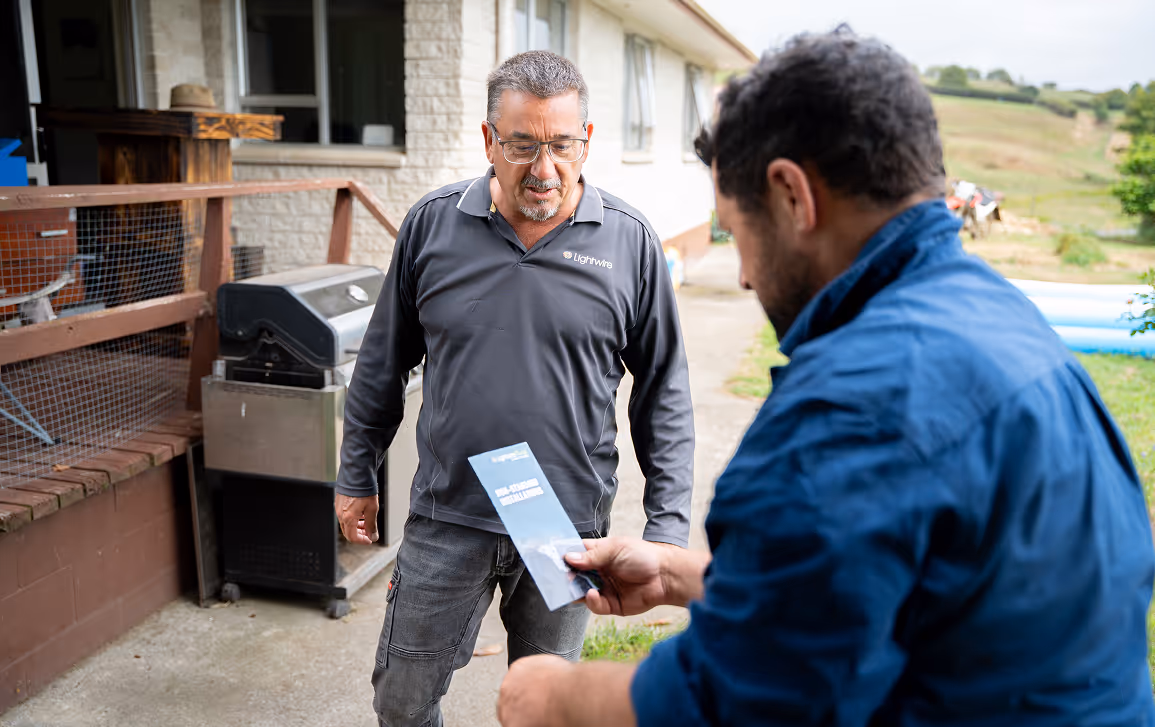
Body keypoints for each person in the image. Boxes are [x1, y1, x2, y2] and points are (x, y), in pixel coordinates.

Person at [496, 29, 1155, 727]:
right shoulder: (1007, 321)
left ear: (789, 195)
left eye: (735, 231)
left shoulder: (852, 407)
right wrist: (677, 575)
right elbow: (881, 591)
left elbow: (735, 703)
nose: (745, 273)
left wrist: (547, 696)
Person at [334, 50, 694, 727]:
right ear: (488, 140)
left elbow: (663, 389)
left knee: (547, 708)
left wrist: (667, 525)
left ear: (585, 141)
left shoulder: (630, 242)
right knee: (402, 701)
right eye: (522, 145)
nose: (543, 168)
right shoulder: (432, 225)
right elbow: (382, 363)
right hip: (449, 516)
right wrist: (356, 471)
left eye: (560, 145)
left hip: (565, 529)